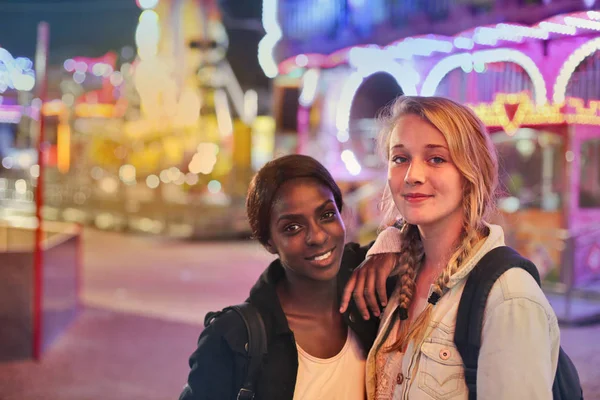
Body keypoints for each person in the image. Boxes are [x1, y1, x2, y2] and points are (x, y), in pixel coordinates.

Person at [339, 96, 560, 399]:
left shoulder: (509, 298)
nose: (412, 175)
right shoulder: (398, 270)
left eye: (436, 159)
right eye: (400, 158)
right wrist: (387, 241)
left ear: (470, 174)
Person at [179, 154, 399, 400]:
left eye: (326, 215)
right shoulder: (233, 337)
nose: (317, 236)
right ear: (269, 242)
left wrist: (389, 243)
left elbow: (428, 229)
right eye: (292, 227)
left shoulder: (371, 285)